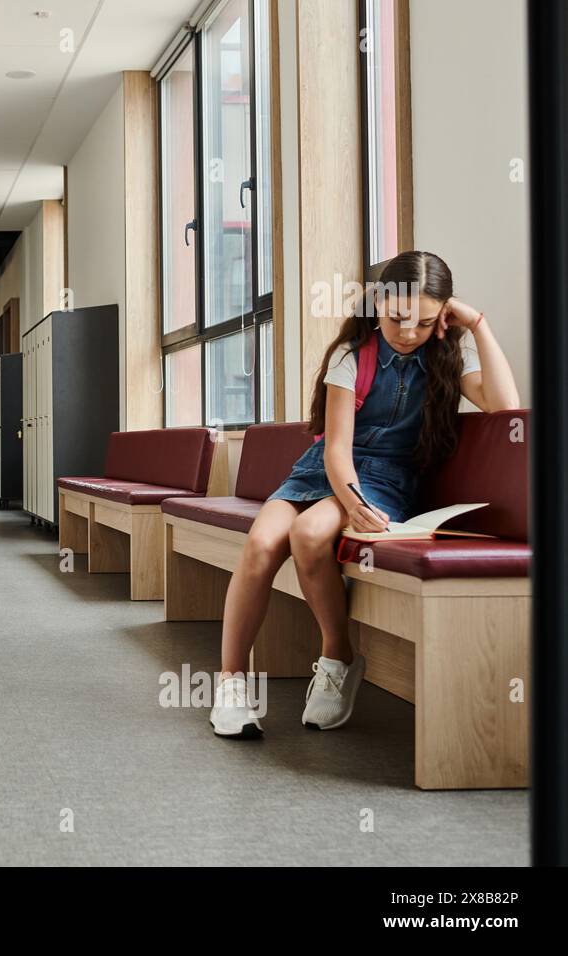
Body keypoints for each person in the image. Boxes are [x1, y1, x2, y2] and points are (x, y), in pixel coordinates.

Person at [209, 250, 521, 739]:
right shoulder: (351, 356)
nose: (408, 331)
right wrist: (351, 500)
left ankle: (337, 658)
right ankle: (231, 684)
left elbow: (507, 407)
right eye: (398, 317)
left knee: (310, 533)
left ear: (442, 317)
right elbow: (335, 450)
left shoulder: (448, 357)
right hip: (328, 471)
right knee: (262, 541)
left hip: (387, 481)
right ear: (378, 303)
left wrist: (477, 323)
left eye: (424, 321)